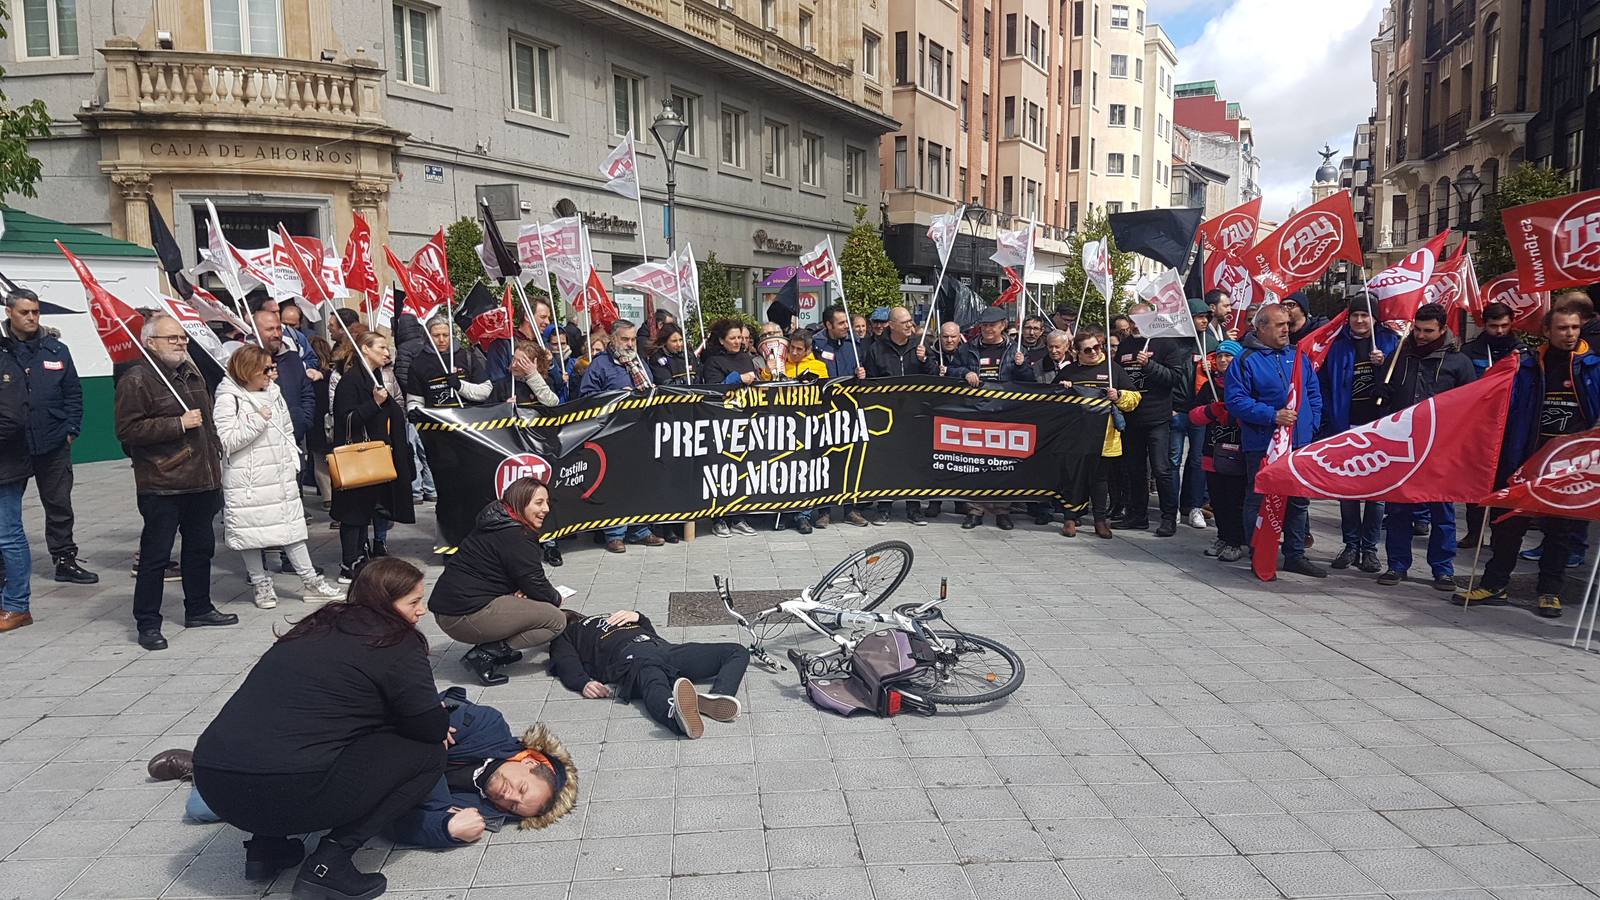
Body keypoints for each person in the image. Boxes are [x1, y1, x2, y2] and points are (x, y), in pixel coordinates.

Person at [192, 559, 446, 896]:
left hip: (214, 782)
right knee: (427, 754)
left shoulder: (314, 626)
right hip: (287, 789)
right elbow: (429, 727)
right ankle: (330, 864)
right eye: (413, 602)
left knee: (304, 733)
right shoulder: (396, 641)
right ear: (385, 604)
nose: (422, 611)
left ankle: (265, 849)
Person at [162, 687, 579, 846]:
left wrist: (445, 830)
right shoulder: (486, 725)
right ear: (528, 760)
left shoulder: (477, 808)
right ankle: (206, 765)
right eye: (520, 791)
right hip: (341, 744)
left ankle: (208, 774)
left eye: (512, 810)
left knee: (201, 811)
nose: (506, 799)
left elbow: (396, 822)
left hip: (347, 787)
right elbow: (409, 708)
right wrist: (429, 721)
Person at [1456, 306, 1600, 617]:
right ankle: (1495, 585)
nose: (1570, 333)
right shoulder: (1527, 366)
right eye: (1563, 328)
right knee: (1508, 526)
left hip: (1568, 467)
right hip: (1524, 459)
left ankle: (1550, 591)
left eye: (1575, 327)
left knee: (1559, 531)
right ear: (1547, 331)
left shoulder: (1592, 367)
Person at [115, 314, 239, 649]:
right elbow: (128, 431)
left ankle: (198, 607)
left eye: (183, 337)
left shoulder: (192, 372)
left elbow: (208, 422)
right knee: (156, 555)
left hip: (202, 479)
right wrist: (177, 424)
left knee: (200, 548)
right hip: (163, 481)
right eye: (172, 338)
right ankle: (148, 623)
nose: (181, 343)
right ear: (151, 342)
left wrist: (216, 455)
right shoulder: (137, 378)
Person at [213, 344, 345, 609]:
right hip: (248, 479)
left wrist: (293, 460)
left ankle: (310, 581)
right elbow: (227, 440)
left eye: (273, 368)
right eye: (267, 369)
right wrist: (256, 421)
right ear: (248, 370)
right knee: (250, 534)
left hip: (279, 473)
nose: (273, 374)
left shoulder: (273, 392)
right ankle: (261, 583)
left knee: (292, 530)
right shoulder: (230, 396)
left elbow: (285, 427)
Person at [1370, 303, 1477, 591]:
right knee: (1399, 509)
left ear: (1442, 330)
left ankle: (1443, 569)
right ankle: (1397, 564)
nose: (1420, 335)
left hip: (1441, 446)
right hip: (1403, 444)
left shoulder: (1458, 362)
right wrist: (1382, 388)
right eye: (1417, 329)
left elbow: (1471, 404)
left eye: (1428, 331)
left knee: (1441, 510)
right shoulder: (1401, 355)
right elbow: (1386, 389)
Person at [430, 476, 568, 686]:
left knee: (531, 603)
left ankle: (499, 648)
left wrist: (522, 590)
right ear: (520, 503)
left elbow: (514, 573)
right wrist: (556, 598)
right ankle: (485, 654)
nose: (546, 509)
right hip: (461, 615)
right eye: (539, 503)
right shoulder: (516, 535)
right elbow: (535, 582)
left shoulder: (497, 520)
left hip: (453, 607)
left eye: (547, 502)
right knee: (555, 620)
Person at [1225, 304, 1326, 578]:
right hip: (1263, 444)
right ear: (1261, 328)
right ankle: (1260, 551)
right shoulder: (1245, 360)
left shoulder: (1298, 356)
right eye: (1280, 324)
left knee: (1298, 500)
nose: (1286, 328)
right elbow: (1236, 402)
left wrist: (1311, 424)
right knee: (1258, 499)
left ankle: (1295, 554)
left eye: (1287, 323)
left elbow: (1313, 394)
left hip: (1299, 443)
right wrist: (1272, 416)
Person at [3, 288, 95, 584]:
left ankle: (64, 559)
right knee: (7, 508)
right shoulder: (2, 348)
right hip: (10, 444)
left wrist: (71, 429)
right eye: (24, 312)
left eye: (35, 312)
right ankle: (5, 565)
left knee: (58, 503)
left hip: (53, 440)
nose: (31, 317)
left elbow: (73, 393)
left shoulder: (56, 349)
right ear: (9, 312)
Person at [550, 608, 747, 740]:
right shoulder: (566, 634)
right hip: (630, 657)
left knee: (736, 650)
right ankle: (675, 716)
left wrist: (638, 616)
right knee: (652, 679)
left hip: (662, 648)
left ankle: (718, 696)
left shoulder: (608, 616)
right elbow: (565, 661)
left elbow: (652, 632)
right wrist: (583, 682)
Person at [1319, 297, 1401, 575]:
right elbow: (1326, 386)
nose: (1360, 321)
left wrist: (1383, 363)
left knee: (1376, 496)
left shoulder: (1391, 342)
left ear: (1375, 318)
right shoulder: (1338, 344)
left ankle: (1370, 550)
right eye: (1355, 315)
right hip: (1346, 427)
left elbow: (1399, 383)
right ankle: (1350, 544)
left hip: (1379, 430)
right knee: (1347, 492)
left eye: (1365, 315)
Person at [331, 331, 416, 582]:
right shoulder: (350, 381)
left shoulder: (375, 376)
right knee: (353, 512)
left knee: (366, 510)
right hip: (357, 457)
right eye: (381, 347)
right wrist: (374, 404)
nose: (387, 352)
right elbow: (345, 419)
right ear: (365, 350)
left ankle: (362, 553)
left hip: (375, 455)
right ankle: (349, 562)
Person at [1042, 330, 1139, 539]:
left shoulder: (1113, 369)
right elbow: (1049, 400)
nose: (1094, 352)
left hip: (1105, 437)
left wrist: (1119, 395)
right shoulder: (1070, 371)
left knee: (1099, 480)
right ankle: (1070, 517)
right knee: (1073, 477)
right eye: (1088, 349)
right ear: (1077, 352)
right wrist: (1062, 389)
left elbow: (1135, 398)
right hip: (1074, 436)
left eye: (1097, 347)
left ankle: (1100, 521)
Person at [951, 307, 1036, 530]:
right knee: (975, 464)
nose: (988, 329)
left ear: (1003, 325)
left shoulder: (1015, 350)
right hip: (975, 413)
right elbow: (951, 371)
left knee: (1003, 465)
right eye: (985, 325)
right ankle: (975, 511)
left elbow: (1030, 381)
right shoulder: (967, 349)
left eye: (993, 324)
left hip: (1005, 415)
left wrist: (1022, 366)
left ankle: (1002, 511)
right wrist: (963, 373)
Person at [1112, 306, 1183, 536]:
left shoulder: (1166, 344)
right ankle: (1137, 516)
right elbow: (1118, 376)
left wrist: (1150, 366)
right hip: (1131, 418)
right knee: (1134, 469)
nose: (1134, 325)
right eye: (1132, 320)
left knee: (1162, 469)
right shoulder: (1125, 346)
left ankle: (1168, 518)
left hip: (1157, 419)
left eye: (1140, 319)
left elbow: (1174, 378)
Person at [863, 306, 937, 526]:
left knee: (913, 461)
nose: (909, 325)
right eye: (904, 322)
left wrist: (925, 361)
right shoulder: (877, 349)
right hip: (887, 415)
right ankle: (884, 507)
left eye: (910, 322)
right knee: (887, 461)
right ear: (892, 325)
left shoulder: (920, 346)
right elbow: (869, 384)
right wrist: (862, 377)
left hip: (915, 415)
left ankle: (913, 508)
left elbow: (934, 378)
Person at [1191, 341, 1248, 561]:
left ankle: (1236, 541)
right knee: (1218, 498)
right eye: (1220, 356)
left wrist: (1234, 415)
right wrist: (1211, 410)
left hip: (1237, 452)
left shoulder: (1246, 384)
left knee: (1235, 498)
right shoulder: (1210, 386)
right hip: (1212, 451)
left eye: (1229, 356)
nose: (1223, 360)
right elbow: (1194, 416)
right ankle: (1223, 536)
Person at [1169, 298, 1218, 531]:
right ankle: (1172, 507)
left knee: (1198, 461)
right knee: (1173, 461)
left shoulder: (1211, 342)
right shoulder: (1174, 343)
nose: (1204, 321)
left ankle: (1195, 506)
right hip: (1176, 410)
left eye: (1207, 317)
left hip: (1200, 412)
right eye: (1200, 317)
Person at [0, 329, 31, 632]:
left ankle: (17, 605)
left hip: (5, 467)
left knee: (8, 537)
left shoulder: (6, 366)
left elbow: (10, 419)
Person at [390, 314, 438, 503]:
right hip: (431, 403)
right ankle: (432, 489)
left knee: (414, 448)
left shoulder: (404, 349)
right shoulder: (426, 346)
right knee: (428, 449)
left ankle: (416, 491)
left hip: (413, 405)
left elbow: (403, 376)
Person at [406, 316, 492, 409]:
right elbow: (415, 401)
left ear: (451, 335)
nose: (441, 340)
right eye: (436, 335)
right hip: (434, 422)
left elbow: (486, 392)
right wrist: (415, 412)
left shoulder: (467, 357)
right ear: (428, 336)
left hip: (468, 419)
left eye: (445, 335)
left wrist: (460, 386)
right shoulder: (418, 363)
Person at [579, 319, 654, 395]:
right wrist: (616, 394)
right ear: (613, 339)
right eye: (625, 339)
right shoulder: (599, 364)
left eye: (633, 339)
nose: (630, 344)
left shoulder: (639, 361)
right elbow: (587, 396)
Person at [812, 306, 865, 380]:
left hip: (849, 389)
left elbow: (861, 365)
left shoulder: (854, 342)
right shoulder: (817, 344)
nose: (846, 326)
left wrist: (860, 373)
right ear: (829, 325)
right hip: (827, 389)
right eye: (841, 323)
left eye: (847, 322)